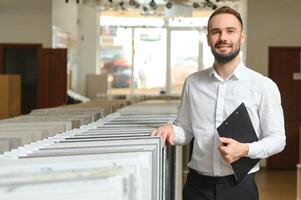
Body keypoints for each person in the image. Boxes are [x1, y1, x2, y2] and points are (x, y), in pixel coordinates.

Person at [151, 6, 286, 200]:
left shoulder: (263, 86)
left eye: (230, 31)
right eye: (216, 32)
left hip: (240, 188)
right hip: (196, 187)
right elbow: (186, 131)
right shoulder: (192, 82)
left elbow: (278, 139)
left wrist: (246, 149)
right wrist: (171, 130)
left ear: (242, 36)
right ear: (208, 39)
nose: (223, 38)